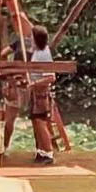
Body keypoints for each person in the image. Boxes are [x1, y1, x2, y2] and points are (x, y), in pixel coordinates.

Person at [0, 27, 34, 156]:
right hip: (30, 83)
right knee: (38, 119)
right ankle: (41, 150)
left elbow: (3, 54)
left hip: (15, 82)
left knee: (10, 119)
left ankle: (5, 147)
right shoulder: (39, 46)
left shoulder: (20, 42)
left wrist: (7, 71)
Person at [27, 24, 57, 166]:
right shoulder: (37, 52)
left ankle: (48, 153)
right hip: (35, 92)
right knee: (36, 122)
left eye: (31, 36)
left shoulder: (44, 54)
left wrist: (35, 83)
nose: (30, 39)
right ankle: (41, 151)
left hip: (41, 93)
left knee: (40, 122)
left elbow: (51, 77)